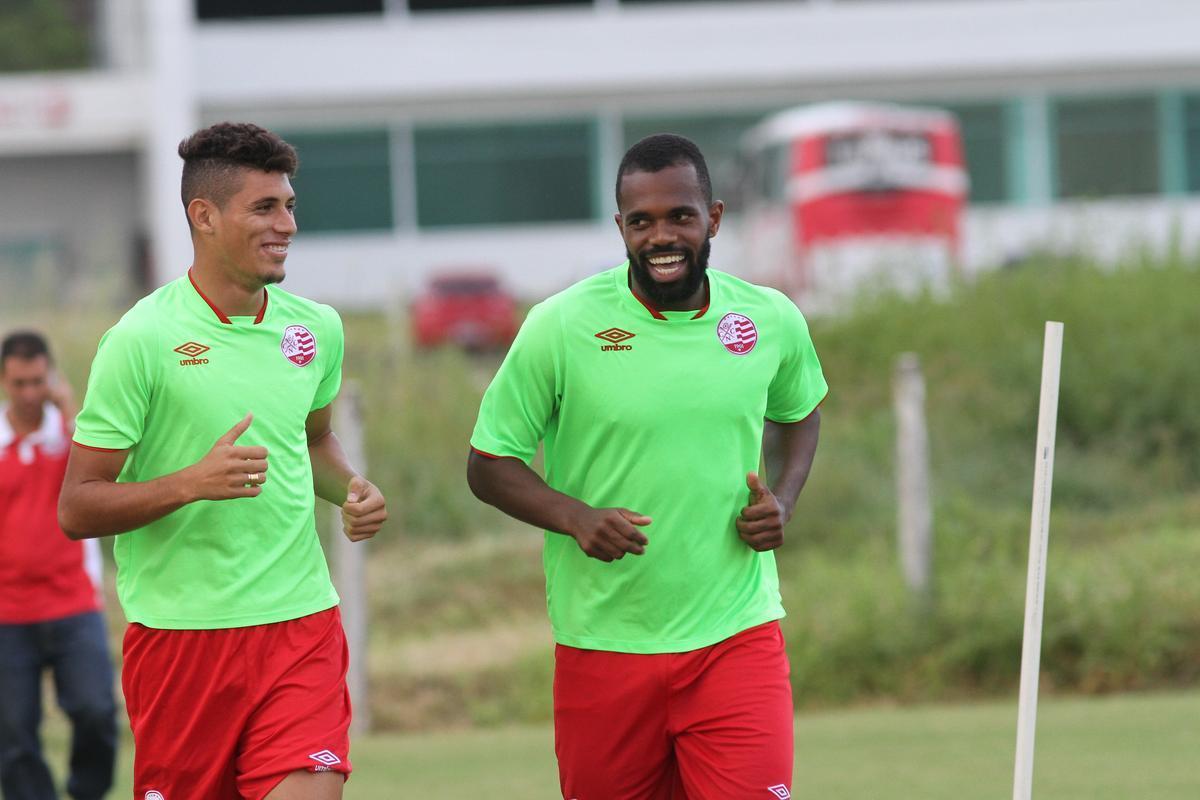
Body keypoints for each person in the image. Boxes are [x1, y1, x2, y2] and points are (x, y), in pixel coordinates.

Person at [467, 133, 827, 799]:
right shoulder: (560, 325)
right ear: (621, 227)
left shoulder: (769, 318)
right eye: (642, 221)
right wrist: (575, 517)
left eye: (680, 217)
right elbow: (488, 464)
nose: (662, 237)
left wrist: (783, 498)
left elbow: (800, 412)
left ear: (712, 218)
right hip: (603, 644)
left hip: (735, 638)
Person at [58, 122, 388, 800]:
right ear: (203, 216)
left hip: (300, 625)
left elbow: (312, 440)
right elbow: (77, 505)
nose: (286, 224)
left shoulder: (316, 328)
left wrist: (352, 488)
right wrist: (189, 484)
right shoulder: (141, 339)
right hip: (182, 643)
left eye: (289, 205)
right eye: (264, 208)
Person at [0, 332, 116, 800]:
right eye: (19, 383)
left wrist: (70, 413)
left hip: (73, 601)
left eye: (37, 381)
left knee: (96, 711)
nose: (29, 393)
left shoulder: (72, 433)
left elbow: (103, 480)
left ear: (50, 378)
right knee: (13, 734)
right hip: (8, 610)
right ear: (5, 382)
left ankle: (87, 792)